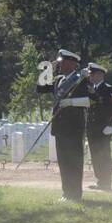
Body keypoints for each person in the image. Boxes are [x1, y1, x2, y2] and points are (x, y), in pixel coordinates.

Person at [41, 49, 91, 202]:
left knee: (74, 161)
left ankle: (75, 194)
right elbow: (41, 88)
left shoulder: (80, 79)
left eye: (61, 61)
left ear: (71, 63)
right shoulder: (59, 80)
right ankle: (66, 192)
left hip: (74, 127)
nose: (59, 64)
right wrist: (46, 69)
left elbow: (89, 101)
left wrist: (70, 102)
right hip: (60, 127)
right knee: (63, 161)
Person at [85, 62, 112, 191]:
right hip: (92, 127)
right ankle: (100, 179)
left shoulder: (108, 89)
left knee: (104, 154)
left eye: (91, 74)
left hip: (104, 127)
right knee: (95, 154)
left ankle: (107, 181)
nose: (90, 77)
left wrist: (110, 125)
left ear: (99, 75)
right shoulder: (91, 88)